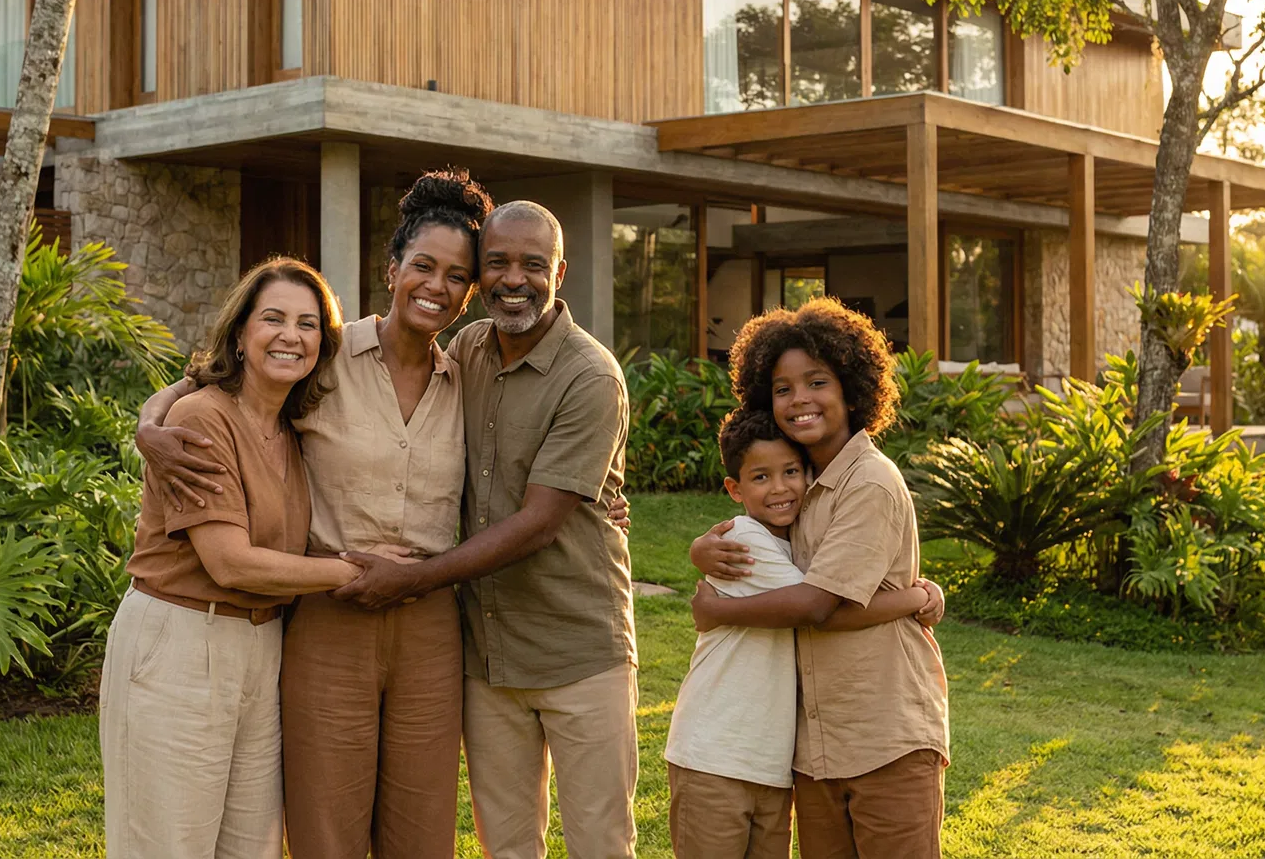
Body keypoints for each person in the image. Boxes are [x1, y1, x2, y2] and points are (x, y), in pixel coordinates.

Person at [137, 170, 491, 858]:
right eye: (423, 267)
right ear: (392, 271)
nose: (436, 286)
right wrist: (149, 422)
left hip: (428, 620)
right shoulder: (328, 355)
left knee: (422, 830)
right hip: (330, 615)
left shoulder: (468, 375)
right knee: (325, 825)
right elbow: (220, 375)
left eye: (456, 276)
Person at [332, 200, 636, 859]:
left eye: (532, 264)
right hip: (489, 655)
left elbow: (537, 523)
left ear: (560, 270)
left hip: (578, 650)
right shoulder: (465, 349)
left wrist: (413, 580)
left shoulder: (590, 376)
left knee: (600, 845)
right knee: (508, 845)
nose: (513, 279)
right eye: (495, 263)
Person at [101, 258, 358, 859]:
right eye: (273, 319)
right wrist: (358, 569)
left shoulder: (292, 430)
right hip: (181, 645)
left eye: (308, 323)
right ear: (241, 333)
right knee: (167, 845)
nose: (291, 335)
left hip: (261, 649)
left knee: (252, 848)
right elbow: (231, 563)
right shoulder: (200, 418)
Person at [688, 299, 952, 859]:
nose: (800, 399)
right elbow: (747, 546)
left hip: (885, 737)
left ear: (852, 390)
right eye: (782, 389)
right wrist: (701, 549)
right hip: (816, 749)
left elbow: (815, 604)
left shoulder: (869, 483)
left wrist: (716, 611)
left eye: (817, 381)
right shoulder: (797, 489)